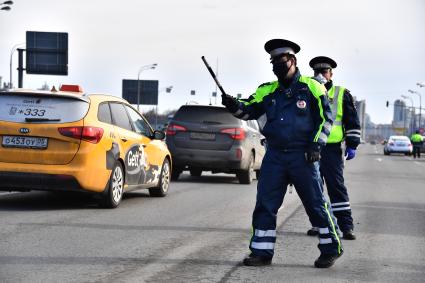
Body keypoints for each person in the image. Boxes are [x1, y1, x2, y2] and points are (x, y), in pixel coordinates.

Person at [221, 39, 343, 268]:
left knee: (315, 204)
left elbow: (326, 119)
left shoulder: (312, 87)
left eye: (281, 60)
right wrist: (232, 104)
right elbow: (247, 110)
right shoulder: (267, 90)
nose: (277, 65)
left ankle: (331, 248)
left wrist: (317, 145)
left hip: (303, 156)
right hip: (275, 156)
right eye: (273, 61)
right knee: (265, 204)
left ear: (293, 61)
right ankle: (261, 252)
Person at [306, 56, 361, 240]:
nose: (321, 75)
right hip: (312, 147)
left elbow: (352, 121)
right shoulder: (307, 90)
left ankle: (346, 227)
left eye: (325, 71)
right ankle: (319, 224)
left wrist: (352, 145)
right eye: (317, 72)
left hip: (331, 149)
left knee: (336, 187)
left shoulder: (341, 93)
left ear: (331, 74)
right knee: (314, 188)